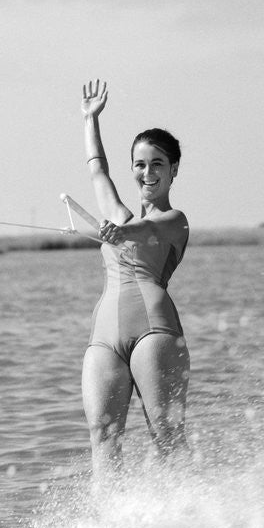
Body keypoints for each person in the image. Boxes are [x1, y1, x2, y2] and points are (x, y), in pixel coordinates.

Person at [80, 79, 190, 480]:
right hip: (104, 337)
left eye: (157, 163)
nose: (147, 172)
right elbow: (97, 170)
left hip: (154, 333)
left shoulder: (175, 220)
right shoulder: (118, 217)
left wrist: (121, 233)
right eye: (140, 164)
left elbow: (151, 232)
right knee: (102, 435)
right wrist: (90, 119)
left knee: (166, 435)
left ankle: (187, 523)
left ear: (173, 170)